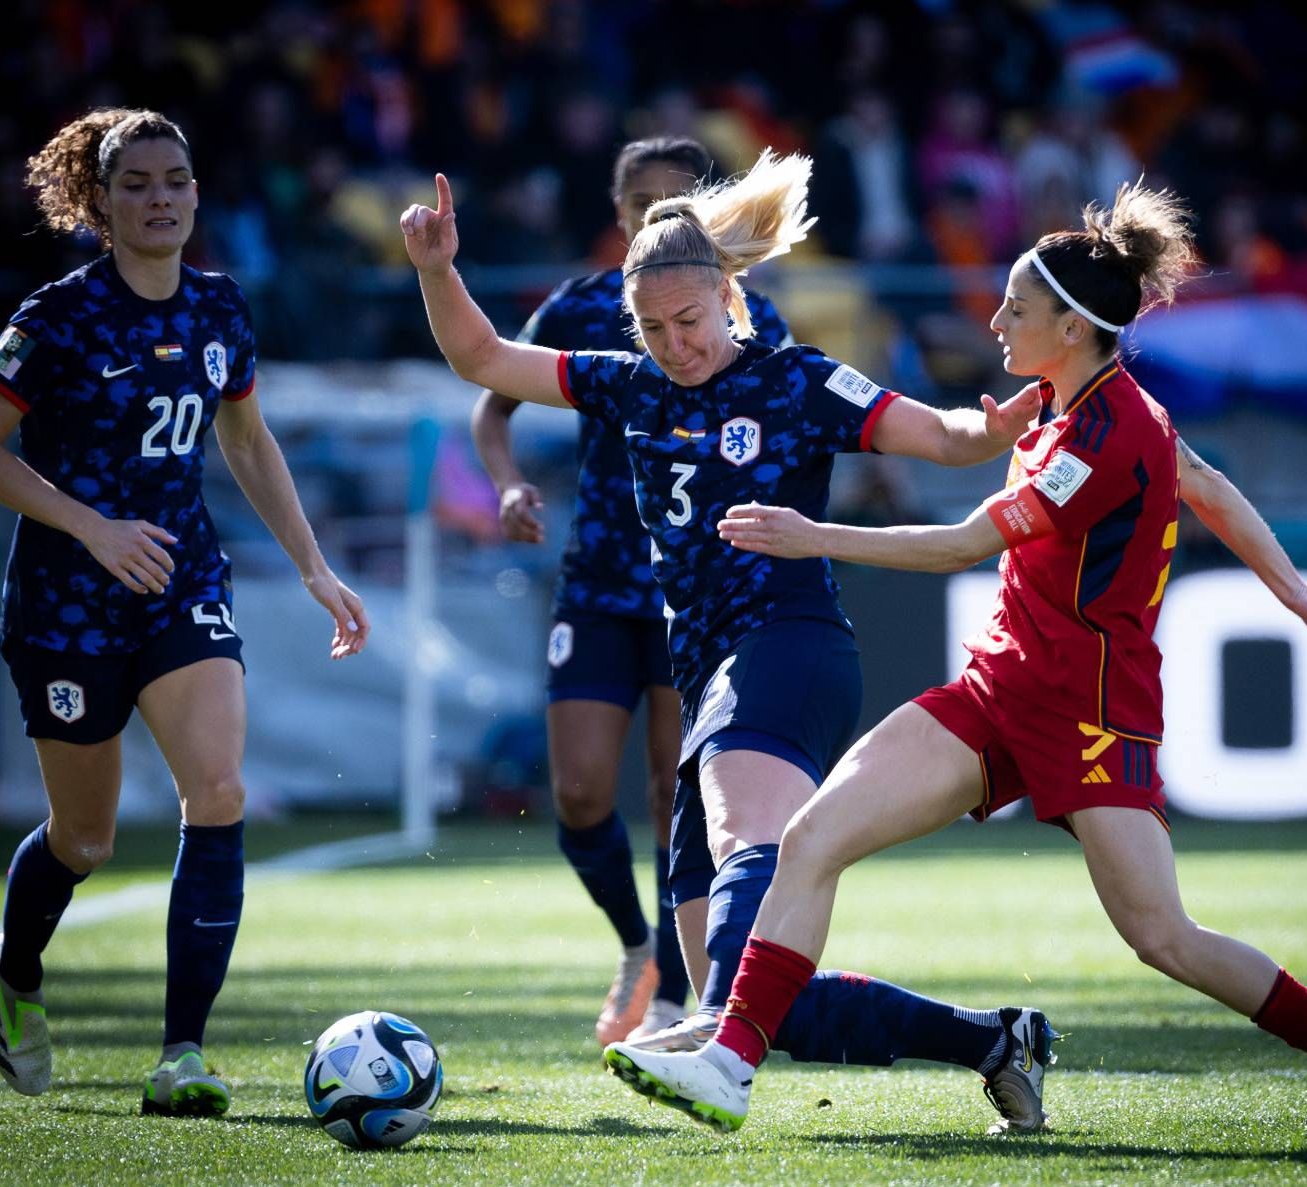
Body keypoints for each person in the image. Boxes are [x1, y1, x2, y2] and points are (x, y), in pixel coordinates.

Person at [604, 182, 1307, 1149]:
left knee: (1161, 936)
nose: (996, 318)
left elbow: (964, 544)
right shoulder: (1063, 397)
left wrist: (810, 534)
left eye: (1016, 306)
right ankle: (731, 1063)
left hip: (1089, 709)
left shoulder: (1106, 432)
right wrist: (1296, 591)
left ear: (1075, 326)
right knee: (810, 836)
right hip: (996, 689)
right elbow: (1208, 485)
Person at [404, 150, 1060, 1129]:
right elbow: (484, 360)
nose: (676, 344)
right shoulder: (632, 387)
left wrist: (991, 425)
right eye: (655, 328)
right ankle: (994, 1039)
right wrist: (435, 270)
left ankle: (723, 1044)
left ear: (728, 297)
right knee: (756, 984)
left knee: (745, 883)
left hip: (789, 646)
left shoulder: (794, 380)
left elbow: (941, 438)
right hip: (709, 669)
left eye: (692, 321)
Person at [0, 109, 367, 1116]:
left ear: (196, 191)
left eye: (175, 179)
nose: (160, 198)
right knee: (83, 839)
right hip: (66, 603)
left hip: (183, 585)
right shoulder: (55, 317)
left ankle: (182, 1052)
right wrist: (92, 528)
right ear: (101, 202)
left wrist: (312, 565)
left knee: (217, 789)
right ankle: (16, 975)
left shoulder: (221, 308)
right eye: (135, 182)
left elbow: (249, 442)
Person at [473, 137, 794, 1044]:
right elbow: (492, 401)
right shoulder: (581, 306)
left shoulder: (750, 317)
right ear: (618, 217)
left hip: (693, 593)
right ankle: (636, 941)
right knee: (576, 789)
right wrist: (506, 481)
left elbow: (798, 427)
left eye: (677, 198)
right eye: (640, 200)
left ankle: (669, 983)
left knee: (670, 783)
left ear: (708, 214)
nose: (657, 212)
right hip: (599, 578)